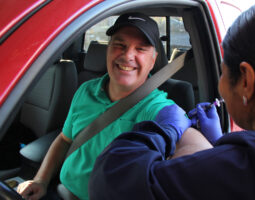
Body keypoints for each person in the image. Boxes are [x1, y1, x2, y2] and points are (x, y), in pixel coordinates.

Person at [89, 0, 255, 199]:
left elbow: (111, 181)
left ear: (245, 80)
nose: (127, 56)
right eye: (119, 45)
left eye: (222, 71)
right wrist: (218, 144)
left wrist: (166, 131)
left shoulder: (254, 168)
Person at [17, 12, 177, 200]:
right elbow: (64, 139)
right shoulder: (86, 90)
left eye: (141, 49)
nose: (128, 56)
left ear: (153, 60)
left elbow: (180, 136)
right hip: (62, 191)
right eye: (119, 45)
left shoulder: (156, 108)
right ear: (108, 49)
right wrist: (40, 180)